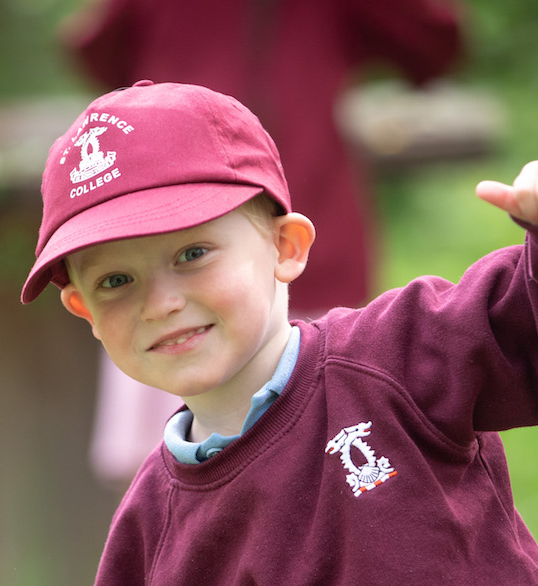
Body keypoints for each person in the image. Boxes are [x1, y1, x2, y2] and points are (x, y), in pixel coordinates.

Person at [21, 81, 538, 582]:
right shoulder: (149, 528)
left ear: (286, 248)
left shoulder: (396, 357)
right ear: (85, 313)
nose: (160, 303)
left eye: (192, 254)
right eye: (116, 282)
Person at [62, 0, 466, 486]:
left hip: (311, 251)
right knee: (175, 477)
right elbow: (97, 54)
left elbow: (432, 44)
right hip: (158, 254)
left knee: (333, 459)